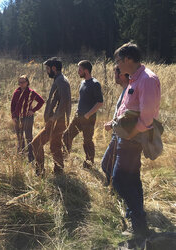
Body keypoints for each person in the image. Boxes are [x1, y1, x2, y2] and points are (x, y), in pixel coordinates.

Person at [113, 42, 160, 246]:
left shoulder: (147, 79)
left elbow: (147, 119)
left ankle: (137, 221)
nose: (117, 65)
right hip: (127, 137)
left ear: (128, 59)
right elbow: (128, 108)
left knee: (119, 180)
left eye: (118, 61)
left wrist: (129, 133)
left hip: (132, 140)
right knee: (132, 180)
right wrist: (113, 124)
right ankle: (139, 224)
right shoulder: (134, 79)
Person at [31, 57, 71, 176]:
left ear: (54, 68)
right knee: (55, 146)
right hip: (58, 121)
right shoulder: (59, 79)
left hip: (57, 122)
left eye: (48, 69)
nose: (47, 71)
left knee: (36, 143)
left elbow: (65, 100)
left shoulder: (61, 80)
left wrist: (55, 117)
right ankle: (58, 172)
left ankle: (40, 172)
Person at [62, 60, 103, 168]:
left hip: (88, 118)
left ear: (86, 70)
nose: (78, 71)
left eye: (80, 69)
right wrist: (77, 111)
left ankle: (89, 163)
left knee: (87, 141)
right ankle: (65, 158)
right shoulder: (82, 82)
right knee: (67, 135)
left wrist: (88, 114)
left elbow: (100, 102)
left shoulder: (95, 84)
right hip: (78, 115)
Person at [101, 66, 129, 186]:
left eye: (115, 73)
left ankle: (115, 188)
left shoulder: (128, 91)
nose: (114, 76)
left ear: (121, 75)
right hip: (118, 133)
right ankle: (114, 188)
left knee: (107, 164)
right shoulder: (125, 90)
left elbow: (127, 115)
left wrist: (112, 124)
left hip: (121, 134)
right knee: (110, 164)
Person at [11, 75, 44, 162]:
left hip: (27, 117)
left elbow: (41, 101)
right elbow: (13, 105)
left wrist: (33, 110)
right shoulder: (16, 92)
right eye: (19, 82)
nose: (21, 84)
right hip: (18, 117)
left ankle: (31, 156)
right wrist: (13, 116)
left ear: (27, 82)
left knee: (28, 136)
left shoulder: (31, 92)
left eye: (23, 82)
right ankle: (21, 154)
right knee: (19, 136)